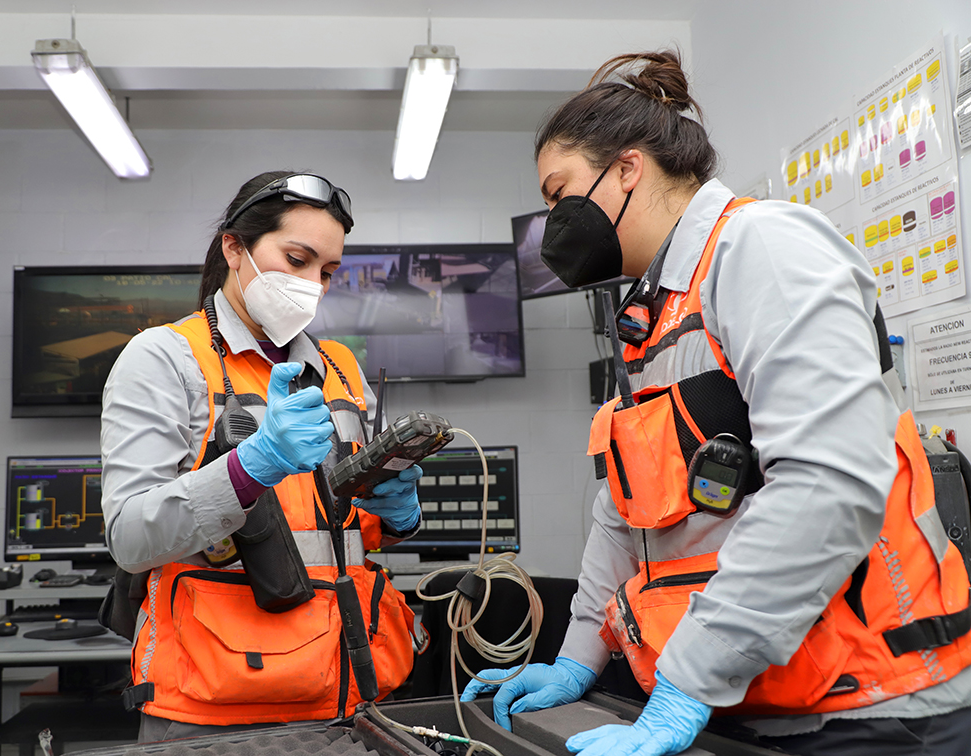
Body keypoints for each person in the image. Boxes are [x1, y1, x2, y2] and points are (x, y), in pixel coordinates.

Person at [462, 50, 971, 756]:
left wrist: (687, 683)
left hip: (866, 710)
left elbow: (829, 485)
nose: (554, 222)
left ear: (628, 170)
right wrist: (581, 655)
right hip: (743, 699)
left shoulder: (762, 249)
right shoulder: (654, 314)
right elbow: (626, 509)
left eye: (559, 193)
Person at [101, 171, 421, 742]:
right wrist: (252, 467)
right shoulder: (165, 359)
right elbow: (131, 537)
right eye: (296, 259)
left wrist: (393, 513)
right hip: (217, 709)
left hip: (349, 691)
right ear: (234, 247)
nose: (312, 285)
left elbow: (339, 534)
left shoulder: (340, 367)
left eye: (327, 272)